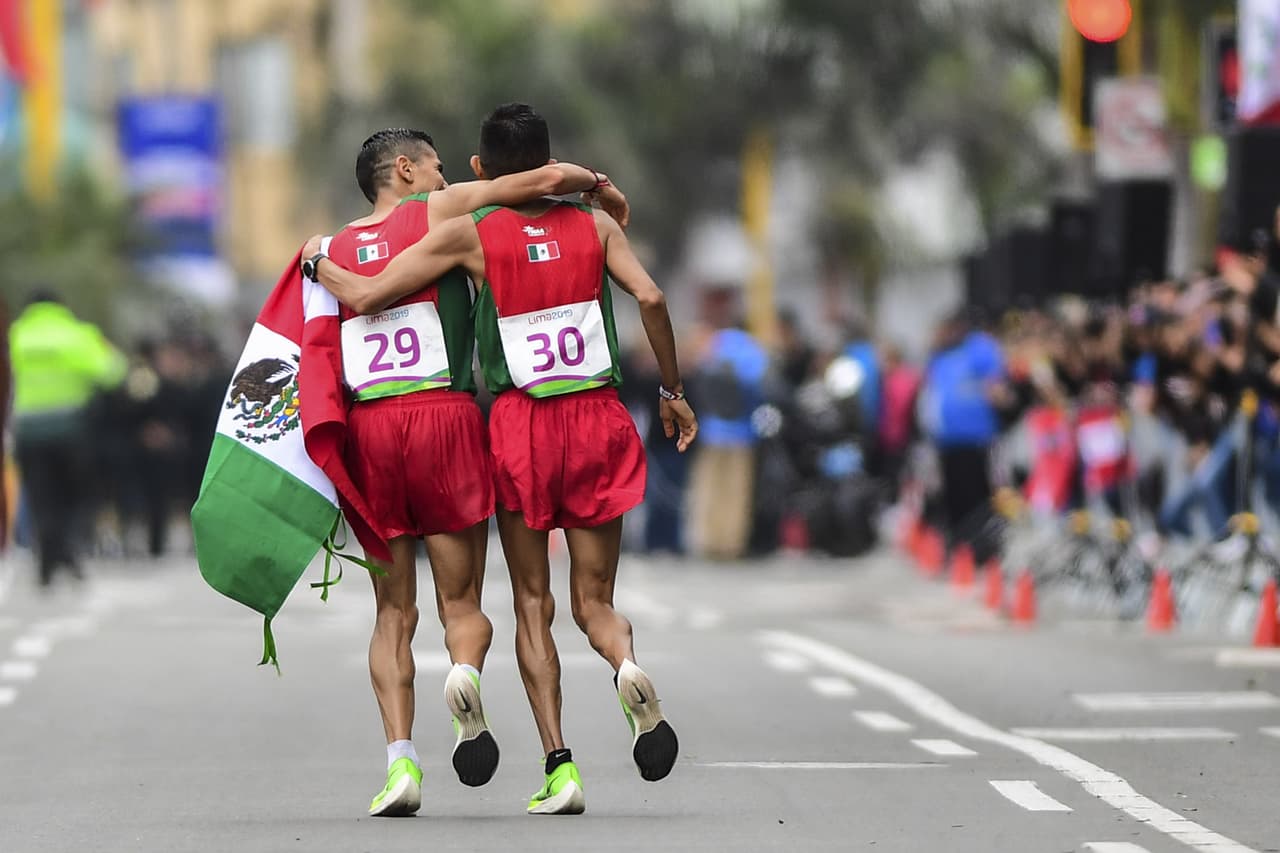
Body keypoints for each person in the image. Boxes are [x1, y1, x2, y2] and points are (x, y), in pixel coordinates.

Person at [302, 103, 697, 816]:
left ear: (485, 168)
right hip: (580, 416)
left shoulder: (465, 233)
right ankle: (622, 663)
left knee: (516, 604)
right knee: (589, 601)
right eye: (439, 167)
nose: (450, 174)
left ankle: (534, 762)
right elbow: (651, 294)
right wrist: (671, 389)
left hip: (498, 427)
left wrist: (316, 260)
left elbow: (364, 295)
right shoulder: (581, 224)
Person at [9, 291, 125, 585]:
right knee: (76, 495)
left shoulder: (17, 335)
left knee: (41, 495)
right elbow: (112, 372)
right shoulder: (77, 334)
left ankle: (48, 555)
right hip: (70, 430)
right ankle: (70, 547)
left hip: (29, 430)